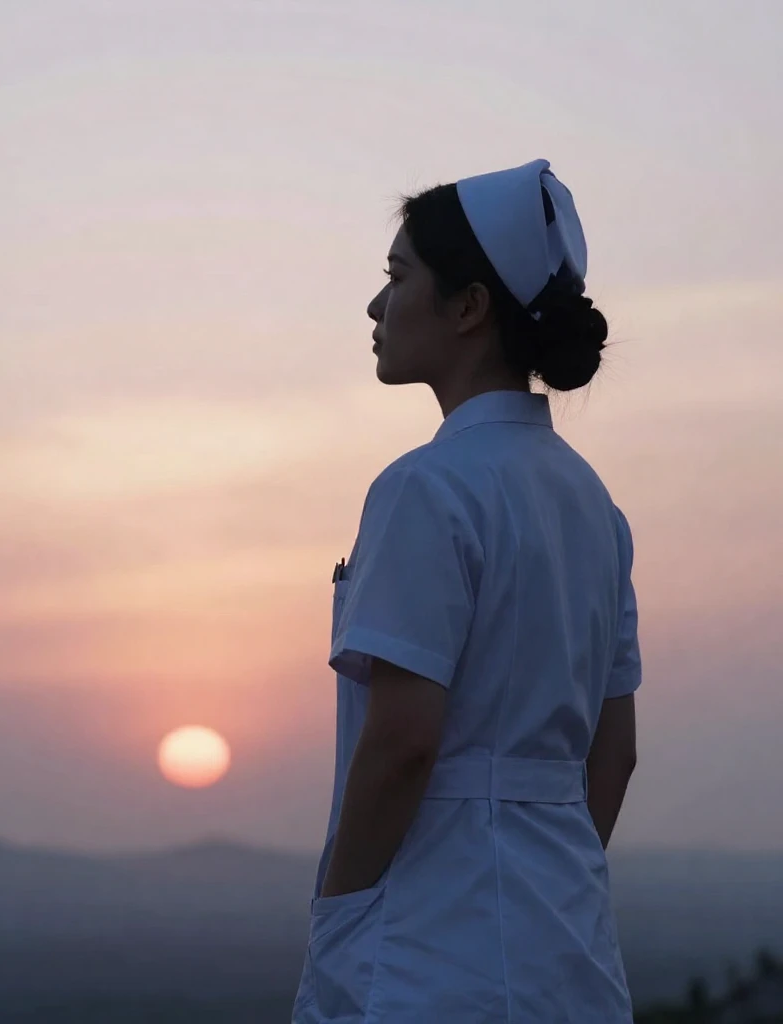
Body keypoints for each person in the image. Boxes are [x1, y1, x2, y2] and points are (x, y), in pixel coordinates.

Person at [292, 159, 641, 1023]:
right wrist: (538, 876)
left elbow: (405, 741)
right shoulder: (595, 505)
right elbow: (615, 750)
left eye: (397, 277)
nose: (377, 307)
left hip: (428, 956)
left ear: (469, 308)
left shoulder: (426, 488)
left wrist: (342, 912)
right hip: (572, 950)